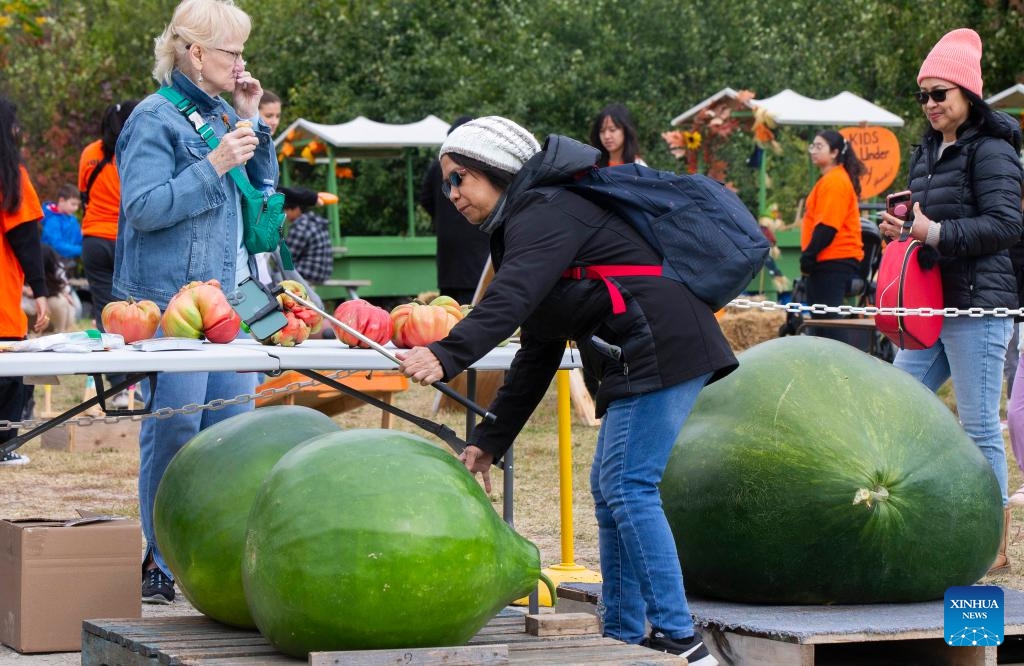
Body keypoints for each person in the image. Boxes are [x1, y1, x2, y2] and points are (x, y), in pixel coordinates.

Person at [396, 117, 734, 665]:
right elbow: (538, 348)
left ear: (495, 170)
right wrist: (490, 439)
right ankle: (625, 634)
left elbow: (509, 299)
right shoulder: (525, 225)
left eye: (458, 178)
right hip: (638, 351)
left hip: (664, 344)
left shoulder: (546, 211)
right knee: (612, 488)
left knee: (628, 486)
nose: (451, 194)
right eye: (446, 184)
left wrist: (445, 353)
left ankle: (682, 641)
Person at [113, 0, 277, 604]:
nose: (242, 63)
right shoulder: (152, 119)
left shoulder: (222, 113)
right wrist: (212, 165)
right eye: (232, 51)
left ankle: (212, 556)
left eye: (242, 51)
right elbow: (144, 209)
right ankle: (158, 556)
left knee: (231, 435)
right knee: (177, 429)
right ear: (195, 53)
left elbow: (263, 192)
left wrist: (252, 119)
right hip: (167, 305)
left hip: (227, 300)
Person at [878, 28, 1024, 573]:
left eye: (940, 93)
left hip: (980, 306)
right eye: (923, 95)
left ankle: (994, 545)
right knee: (893, 404)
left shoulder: (993, 150)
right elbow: (926, 224)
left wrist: (933, 231)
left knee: (981, 427)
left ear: (968, 94)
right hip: (930, 304)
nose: (930, 104)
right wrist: (900, 230)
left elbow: (1008, 225)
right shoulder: (926, 152)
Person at [0, 95, 50, 466]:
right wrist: (42, 290)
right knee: (9, 375)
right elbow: (26, 239)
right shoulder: (10, 175)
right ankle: (3, 445)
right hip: (2, 310)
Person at [79, 100, 138, 408]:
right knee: (134, 314)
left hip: (92, 240)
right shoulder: (134, 153)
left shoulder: (90, 153)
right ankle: (134, 385)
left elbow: (83, 194)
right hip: (122, 240)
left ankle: (116, 385)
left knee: (106, 315)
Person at [798, 130, 866, 341]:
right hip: (830, 260)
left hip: (833, 260)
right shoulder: (831, 179)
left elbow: (828, 226)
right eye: (813, 146)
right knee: (823, 324)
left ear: (835, 152)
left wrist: (809, 254)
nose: (813, 150)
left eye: (819, 146)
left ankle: (842, 370)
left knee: (828, 325)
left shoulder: (835, 181)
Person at [418, 115, 490, 305]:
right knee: (475, 305)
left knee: (446, 308)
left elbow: (425, 198)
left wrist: (443, 219)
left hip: (448, 252)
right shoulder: (478, 166)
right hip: (477, 249)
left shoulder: (438, 167)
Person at [278, 186, 332, 285]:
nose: (285, 214)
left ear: (297, 209)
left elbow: (287, 257)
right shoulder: (315, 221)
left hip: (309, 272)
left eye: (286, 209)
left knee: (275, 275)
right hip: (323, 273)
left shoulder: (301, 226)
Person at [40, 183, 82, 266]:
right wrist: (81, 250)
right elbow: (57, 245)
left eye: (77, 205)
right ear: (61, 201)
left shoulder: (72, 219)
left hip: (67, 261)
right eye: (73, 204)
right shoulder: (53, 220)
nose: (76, 208)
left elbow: (78, 238)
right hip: (52, 263)